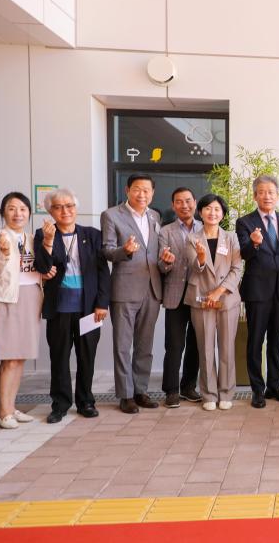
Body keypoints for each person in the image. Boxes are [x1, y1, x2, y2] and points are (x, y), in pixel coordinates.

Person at [33, 189, 110, 424]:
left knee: (87, 356)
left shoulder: (92, 235)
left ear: (76, 208)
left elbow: (103, 272)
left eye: (69, 206)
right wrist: (47, 242)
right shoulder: (42, 234)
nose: (65, 211)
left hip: (88, 308)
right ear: (50, 211)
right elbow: (42, 267)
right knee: (59, 358)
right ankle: (60, 405)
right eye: (58, 207)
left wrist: (102, 303)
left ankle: (86, 401)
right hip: (59, 308)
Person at [101, 173, 163, 414]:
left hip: (152, 288)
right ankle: (125, 395)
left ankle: (140, 390)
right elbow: (107, 250)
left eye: (147, 190)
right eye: (137, 189)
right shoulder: (111, 215)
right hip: (125, 288)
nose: (142, 194)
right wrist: (124, 250)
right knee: (123, 345)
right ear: (127, 190)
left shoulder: (154, 216)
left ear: (152, 193)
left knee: (145, 345)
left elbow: (153, 251)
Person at [0, 192, 49, 429]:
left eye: (23, 209)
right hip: (8, 300)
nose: (17, 214)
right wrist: (3, 253)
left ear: (29, 213)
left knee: (20, 357)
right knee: (9, 359)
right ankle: (3, 412)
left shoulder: (33, 239)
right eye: (12, 208)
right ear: (3, 212)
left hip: (31, 298)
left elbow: (40, 268)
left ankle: (11, 406)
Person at [236, 175, 279, 408]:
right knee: (255, 341)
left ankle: (274, 386)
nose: (267, 196)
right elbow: (244, 254)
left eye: (271, 192)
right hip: (257, 292)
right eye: (262, 192)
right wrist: (254, 243)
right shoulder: (245, 222)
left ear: (277, 196)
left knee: (276, 341)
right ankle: (257, 390)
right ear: (255, 196)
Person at [185, 194, 242, 411]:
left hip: (226, 299)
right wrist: (201, 258)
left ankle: (226, 392)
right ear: (200, 212)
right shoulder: (192, 238)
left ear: (223, 214)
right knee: (206, 348)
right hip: (202, 299)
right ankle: (208, 394)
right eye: (208, 208)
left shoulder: (232, 238)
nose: (212, 213)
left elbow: (237, 268)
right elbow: (194, 267)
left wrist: (219, 291)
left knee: (227, 348)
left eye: (217, 209)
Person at [158, 187, 203, 407]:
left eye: (188, 201)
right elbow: (160, 265)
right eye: (179, 201)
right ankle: (171, 390)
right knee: (174, 345)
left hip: (199, 294)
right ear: (173, 205)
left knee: (196, 343)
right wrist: (166, 262)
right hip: (175, 293)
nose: (184, 205)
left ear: (195, 202)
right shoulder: (165, 231)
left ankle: (188, 387)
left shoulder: (205, 227)